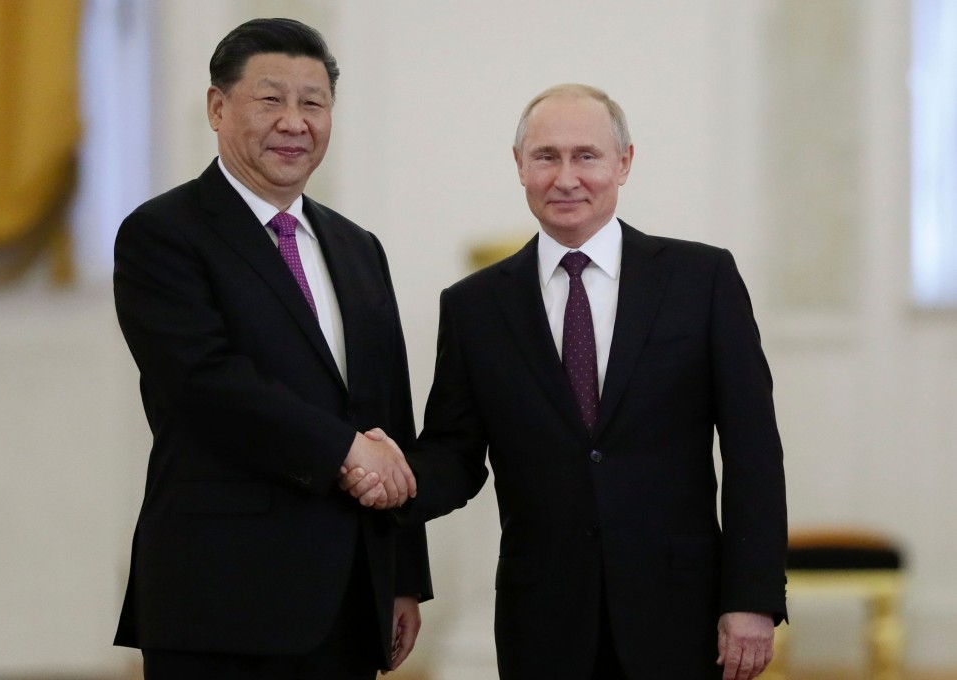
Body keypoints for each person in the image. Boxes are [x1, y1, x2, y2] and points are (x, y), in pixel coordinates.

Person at [343, 84, 788, 680]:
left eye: (587, 156)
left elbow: (753, 451)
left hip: (679, 613)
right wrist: (392, 480)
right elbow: (456, 453)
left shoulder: (701, 280)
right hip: (544, 619)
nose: (566, 177)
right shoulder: (475, 306)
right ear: (520, 165)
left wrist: (751, 598)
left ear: (624, 163)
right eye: (546, 156)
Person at [112, 18, 431, 680]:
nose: (294, 122)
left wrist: (402, 575)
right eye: (270, 99)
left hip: (348, 595)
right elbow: (207, 385)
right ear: (217, 107)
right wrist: (345, 450)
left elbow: (388, 415)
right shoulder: (164, 234)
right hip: (221, 596)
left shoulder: (357, 247)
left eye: (313, 103)